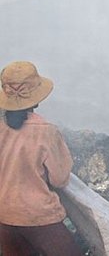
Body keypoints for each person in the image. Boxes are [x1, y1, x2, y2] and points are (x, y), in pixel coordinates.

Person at [0, 61, 82, 256]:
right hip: (39, 217)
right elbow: (60, 179)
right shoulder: (46, 131)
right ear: (36, 97)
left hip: (4, 216)